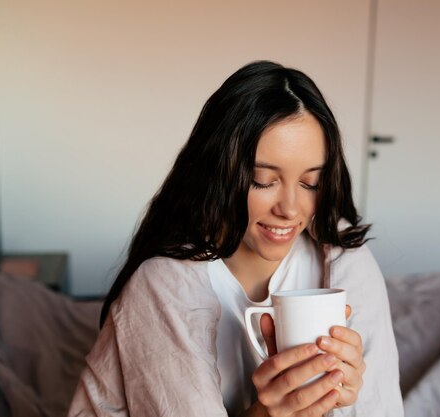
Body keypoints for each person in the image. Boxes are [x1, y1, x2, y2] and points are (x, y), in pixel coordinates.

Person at [68, 61, 403, 417]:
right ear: (218, 172)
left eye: (310, 183)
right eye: (263, 180)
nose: (290, 209)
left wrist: (344, 401)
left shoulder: (342, 256)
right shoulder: (165, 282)